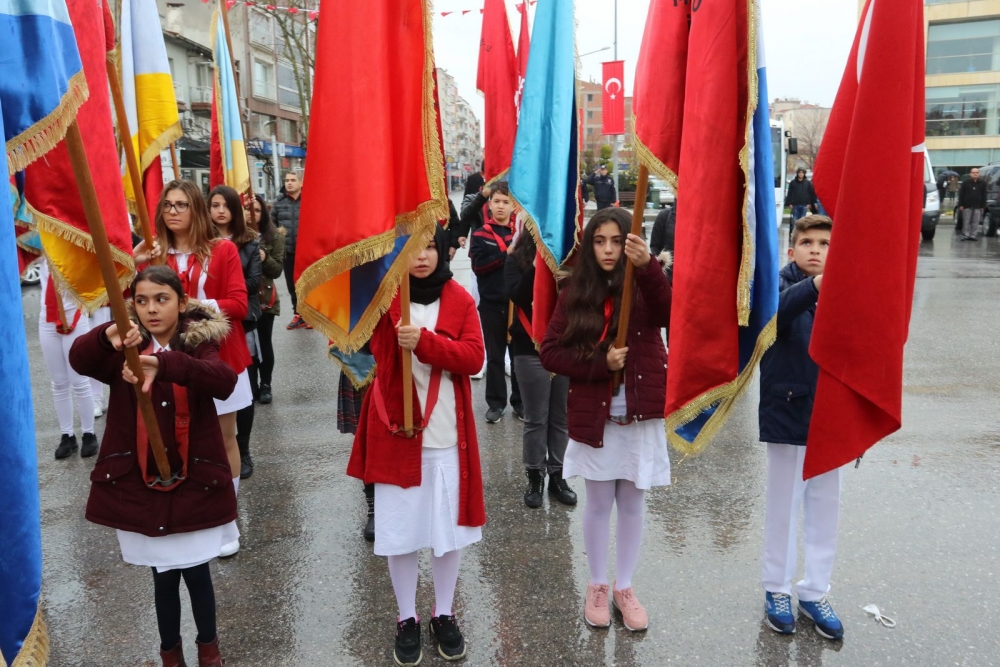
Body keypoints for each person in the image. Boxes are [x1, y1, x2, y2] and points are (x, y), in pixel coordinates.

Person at [69, 265, 238, 667]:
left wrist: (166, 366)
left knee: (197, 573)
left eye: (161, 299)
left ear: (181, 303)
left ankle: (208, 649)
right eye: (141, 301)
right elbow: (79, 359)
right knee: (162, 575)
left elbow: (223, 380)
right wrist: (106, 337)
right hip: (143, 482)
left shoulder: (198, 341)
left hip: (194, 478)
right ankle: (170, 653)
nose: (151, 310)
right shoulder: (125, 343)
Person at [347, 225, 486, 666]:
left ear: (444, 250)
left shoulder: (460, 299)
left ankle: (442, 612)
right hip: (396, 435)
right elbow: (350, 340)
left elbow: (474, 356)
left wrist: (425, 343)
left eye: (430, 246)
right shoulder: (385, 298)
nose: (422, 256)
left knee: (448, 534)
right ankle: (406, 617)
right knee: (401, 533)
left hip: (446, 435)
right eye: (412, 248)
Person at [539, 207, 672, 633]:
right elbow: (550, 352)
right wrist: (600, 363)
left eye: (617, 241)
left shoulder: (645, 281)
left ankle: (625, 587)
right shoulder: (575, 291)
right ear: (590, 244)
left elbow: (670, 313)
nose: (609, 250)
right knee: (597, 505)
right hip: (595, 417)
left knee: (632, 503)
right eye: (601, 241)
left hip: (640, 414)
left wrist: (648, 266)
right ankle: (597, 584)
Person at [135, 179, 252, 557]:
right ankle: (191, 514)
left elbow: (239, 303)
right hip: (168, 362)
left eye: (182, 204)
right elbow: (131, 303)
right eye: (167, 205)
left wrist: (195, 305)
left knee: (223, 438)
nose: (173, 211)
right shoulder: (156, 255)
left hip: (220, 358)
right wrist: (137, 264)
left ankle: (227, 518)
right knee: (180, 439)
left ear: (196, 209)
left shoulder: (223, 249)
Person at [758, 215, 845, 641]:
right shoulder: (777, 284)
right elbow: (772, 319)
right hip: (787, 410)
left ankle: (815, 590)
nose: (816, 249)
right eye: (807, 242)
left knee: (825, 507)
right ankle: (776, 587)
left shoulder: (847, 288)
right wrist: (813, 286)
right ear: (791, 251)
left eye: (825, 243)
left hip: (832, 415)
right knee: (783, 506)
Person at [504, 232, 576, 508]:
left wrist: (567, 279)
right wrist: (537, 266)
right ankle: (535, 476)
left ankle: (558, 475)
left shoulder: (571, 260)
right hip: (528, 347)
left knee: (560, 416)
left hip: (564, 347)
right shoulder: (515, 259)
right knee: (536, 418)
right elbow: (517, 296)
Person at [209, 186, 261, 480]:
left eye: (225, 205)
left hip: (242, 321)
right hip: (207, 324)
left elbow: (252, 282)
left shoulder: (248, 242)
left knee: (244, 391)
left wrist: (230, 279)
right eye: (214, 205)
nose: (219, 210)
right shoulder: (200, 242)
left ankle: (243, 448)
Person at [470, 182, 522, 423]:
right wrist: (505, 255)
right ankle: (496, 403)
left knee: (519, 355)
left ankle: (520, 402)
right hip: (492, 304)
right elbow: (479, 267)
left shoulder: (520, 236)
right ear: (490, 205)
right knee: (495, 356)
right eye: (497, 201)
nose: (501, 206)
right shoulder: (481, 234)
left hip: (517, 305)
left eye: (506, 202)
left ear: (513, 206)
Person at [38, 261, 97, 459]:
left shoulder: (70, 241)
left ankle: (89, 433)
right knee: (59, 382)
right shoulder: (39, 244)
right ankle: (67, 435)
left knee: (79, 381)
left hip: (75, 314)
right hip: (47, 317)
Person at [248, 194, 284, 405]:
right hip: (242, 299)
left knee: (263, 342)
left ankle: (266, 384)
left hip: (264, 298)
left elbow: (277, 270)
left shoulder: (274, 237)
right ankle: (250, 384)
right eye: (246, 209)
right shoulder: (233, 237)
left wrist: (264, 257)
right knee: (247, 344)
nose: (251, 214)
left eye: (257, 210)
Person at [272, 171, 309, 329]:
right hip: (287, 251)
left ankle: (310, 315)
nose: (289, 183)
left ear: (301, 183)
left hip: (306, 251)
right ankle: (298, 314)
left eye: (293, 180)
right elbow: (270, 224)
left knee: (308, 283)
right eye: (287, 180)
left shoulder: (309, 200)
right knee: (292, 284)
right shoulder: (279, 202)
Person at [958, 167, 987, 241]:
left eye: (977, 173)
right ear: (970, 174)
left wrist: (983, 206)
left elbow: (984, 195)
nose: (975, 174)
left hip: (978, 205)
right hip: (966, 205)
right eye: (973, 173)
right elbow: (961, 194)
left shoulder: (982, 183)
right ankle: (966, 234)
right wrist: (960, 204)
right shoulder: (965, 183)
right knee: (966, 221)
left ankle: (973, 235)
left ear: (979, 174)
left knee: (975, 221)